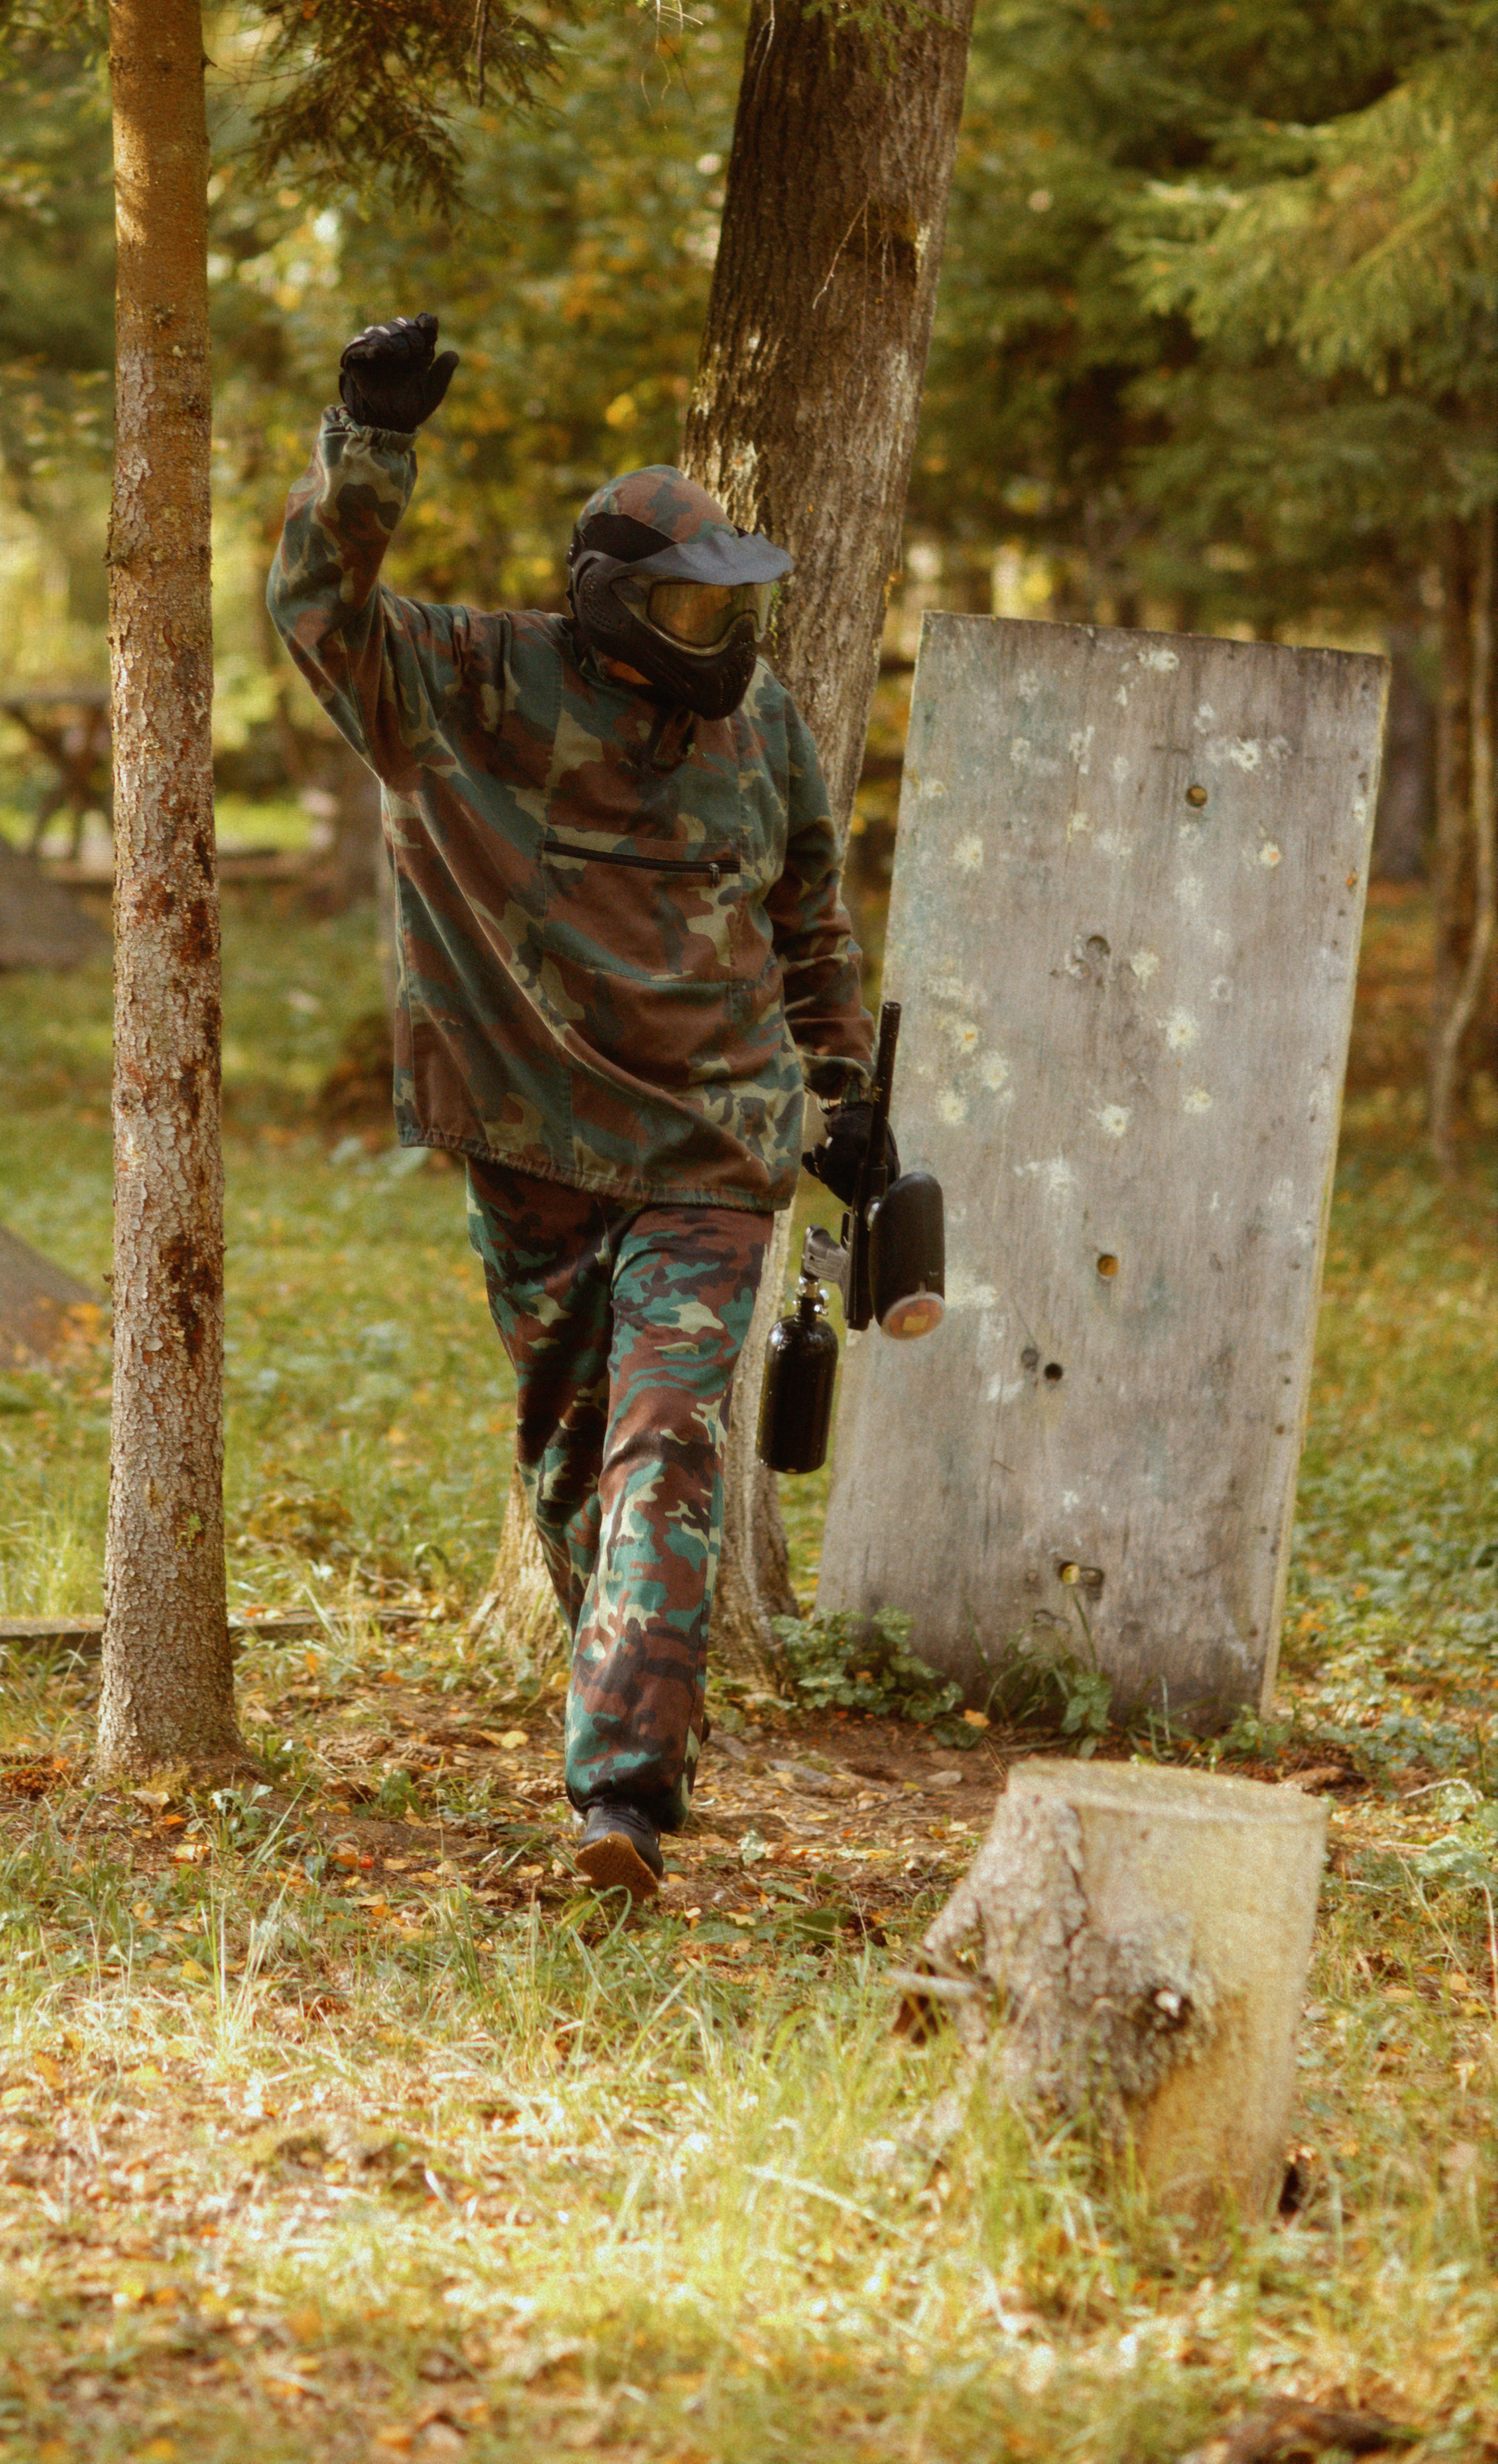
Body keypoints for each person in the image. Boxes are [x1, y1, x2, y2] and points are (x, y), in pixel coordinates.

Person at [267, 312, 885, 1902]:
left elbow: (811, 916)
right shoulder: (478, 686)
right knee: (569, 1463)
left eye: (728, 600)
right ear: (613, 602)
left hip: (712, 1153)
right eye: (687, 600)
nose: (716, 628)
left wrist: (847, 1096)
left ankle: (622, 1805)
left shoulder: (762, 726)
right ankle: (627, 1704)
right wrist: (368, 442)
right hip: (533, 1144)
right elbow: (319, 614)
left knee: (667, 1443)